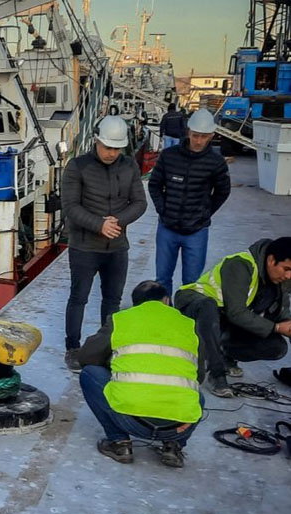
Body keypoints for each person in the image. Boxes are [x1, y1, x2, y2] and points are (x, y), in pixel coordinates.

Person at [78, 280, 205, 469]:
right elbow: (199, 375)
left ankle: (119, 443)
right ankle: (174, 446)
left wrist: (116, 362)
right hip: (178, 426)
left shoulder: (122, 319)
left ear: (136, 303)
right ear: (166, 300)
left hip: (131, 421)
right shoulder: (189, 325)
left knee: (89, 374)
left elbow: (86, 356)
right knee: (198, 396)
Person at [61, 115, 147, 372]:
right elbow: (70, 206)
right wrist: (99, 224)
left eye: (116, 148)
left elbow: (140, 203)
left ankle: (106, 347)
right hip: (84, 247)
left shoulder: (129, 166)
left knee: (112, 300)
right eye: (107, 147)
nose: (111, 153)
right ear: (96, 141)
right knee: (79, 297)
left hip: (117, 248)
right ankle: (73, 348)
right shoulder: (77, 167)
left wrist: (118, 221)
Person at [174, 237, 291, 397]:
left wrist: (287, 325)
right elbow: (236, 313)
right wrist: (276, 327)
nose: (288, 275)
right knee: (209, 306)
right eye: (286, 269)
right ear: (271, 260)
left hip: (224, 318)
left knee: (277, 347)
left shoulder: (281, 279)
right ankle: (216, 373)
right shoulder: (240, 264)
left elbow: (283, 313)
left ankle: (225, 354)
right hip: (195, 305)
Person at [148, 109, 232, 297]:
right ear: (188, 132)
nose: (198, 141)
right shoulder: (169, 156)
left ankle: (187, 319)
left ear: (211, 136)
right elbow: (154, 185)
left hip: (196, 231)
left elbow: (223, 191)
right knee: (162, 279)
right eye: (195, 135)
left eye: (203, 137)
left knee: (192, 283)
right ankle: (165, 316)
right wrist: (163, 210)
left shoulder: (216, 163)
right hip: (167, 228)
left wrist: (205, 213)